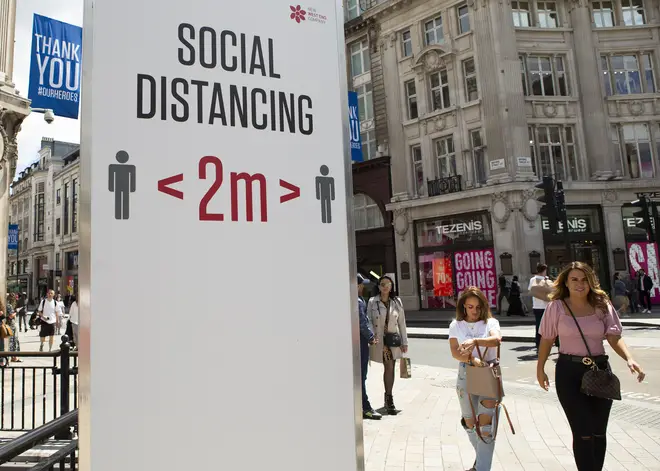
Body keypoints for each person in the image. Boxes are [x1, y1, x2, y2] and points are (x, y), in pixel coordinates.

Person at [537, 261, 645, 471]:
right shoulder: (556, 306)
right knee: (583, 431)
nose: (580, 284)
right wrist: (540, 368)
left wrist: (629, 358)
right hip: (569, 373)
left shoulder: (601, 304)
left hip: (600, 371)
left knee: (598, 431)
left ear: (591, 281)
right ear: (566, 283)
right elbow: (547, 339)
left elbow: (614, 337)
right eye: (574, 279)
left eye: (584, 279)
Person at [449, 286, 502, 471]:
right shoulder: (456, 325)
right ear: (463, 307)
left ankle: (481, 468)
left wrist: (475, 342)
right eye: (470, 307)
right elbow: (456, 353)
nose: (474, 311)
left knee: (485, 424)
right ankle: (480, 462)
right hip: (466, 373)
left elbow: (496, 340)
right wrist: (472, 359)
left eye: (478, 307)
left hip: (488, 372)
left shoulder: (491, 323)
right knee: (470, 422)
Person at [367, 275, 408, 415]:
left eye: (388, 284)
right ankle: (389, 399)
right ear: (378, 286)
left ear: (391, 287)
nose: (386, 286)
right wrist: (372, 336)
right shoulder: (373, 302)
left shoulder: (397, 302)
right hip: (380, 341)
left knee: (391, 367)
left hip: (394, 340)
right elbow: (369, 321)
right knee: (389, 366)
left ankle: (388, 398)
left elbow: (402, 323)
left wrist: (404, 341)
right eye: (383, 284)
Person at [358, 275, 380, 420]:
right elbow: (362, 322)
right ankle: (365, 407)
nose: (363, 287)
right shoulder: (358, 301)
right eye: (361, 284)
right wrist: (371, 337)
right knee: (361, 376)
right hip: (359, 343)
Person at [529, 263, 551, 348]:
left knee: (539, 326)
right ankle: (546, 343)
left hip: (536, 306)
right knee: (548, 326)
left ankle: (539, 344)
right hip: (544, 306)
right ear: (544, 270)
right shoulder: (544, 280)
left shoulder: (532, 279)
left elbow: (531, 290)